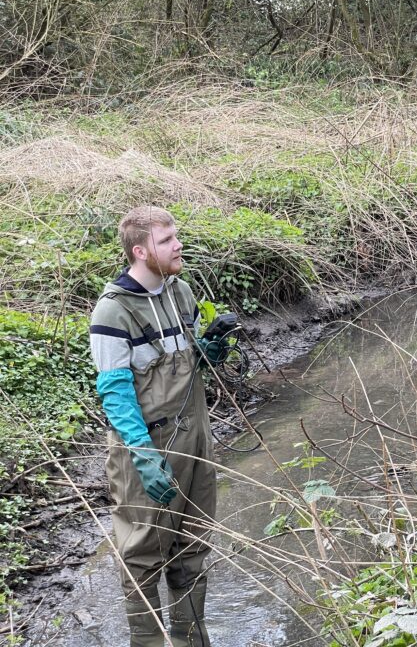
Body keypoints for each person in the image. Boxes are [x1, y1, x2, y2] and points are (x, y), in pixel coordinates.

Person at [89, 206, 229, 646]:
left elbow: (181, 360)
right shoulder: (111, 313)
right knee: (142, 555)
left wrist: (207, 350)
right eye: (167, 240)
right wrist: (141, 451)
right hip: (146, 448)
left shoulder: (180, 291)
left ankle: (192, 641)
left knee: (192, 548)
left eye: (176, 237)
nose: (177, 245)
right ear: (140, 250)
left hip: (196, 437)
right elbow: (115, 391)